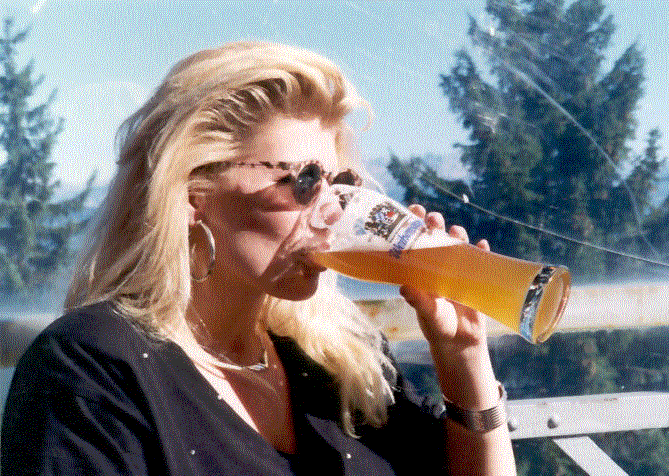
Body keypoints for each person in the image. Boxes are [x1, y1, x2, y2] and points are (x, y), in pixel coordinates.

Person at [1, 41, 516, 475]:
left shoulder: (338, 358)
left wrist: (463, 357)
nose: (332, 213)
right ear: (192, 193)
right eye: (305, 180)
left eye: (340, 184)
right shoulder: (91, 369)